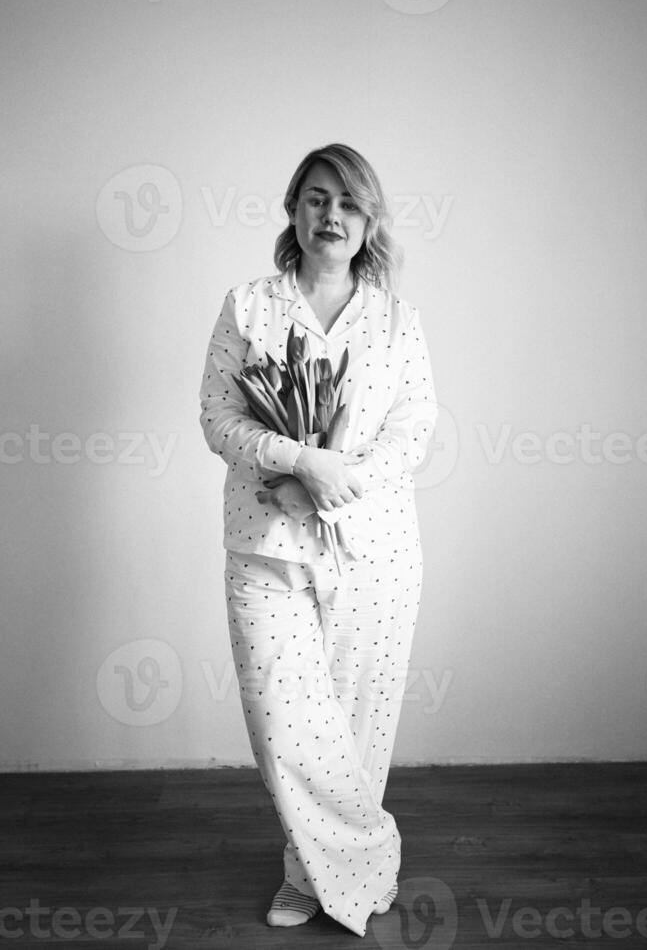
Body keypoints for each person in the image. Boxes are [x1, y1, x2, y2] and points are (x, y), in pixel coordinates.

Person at [199, 143, 438, 938]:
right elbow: (217, 420)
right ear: (293, 210)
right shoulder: (248, 306)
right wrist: (296, 459)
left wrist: (330, 485)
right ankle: (367, 857)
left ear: (369, 221)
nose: (329, 215)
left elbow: (410, 439)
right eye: (313, 198)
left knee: (356, 725)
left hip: (374, 550)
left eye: (346, 203)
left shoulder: (399, 323)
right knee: (286, 723)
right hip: (265, 543)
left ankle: (310, 874)